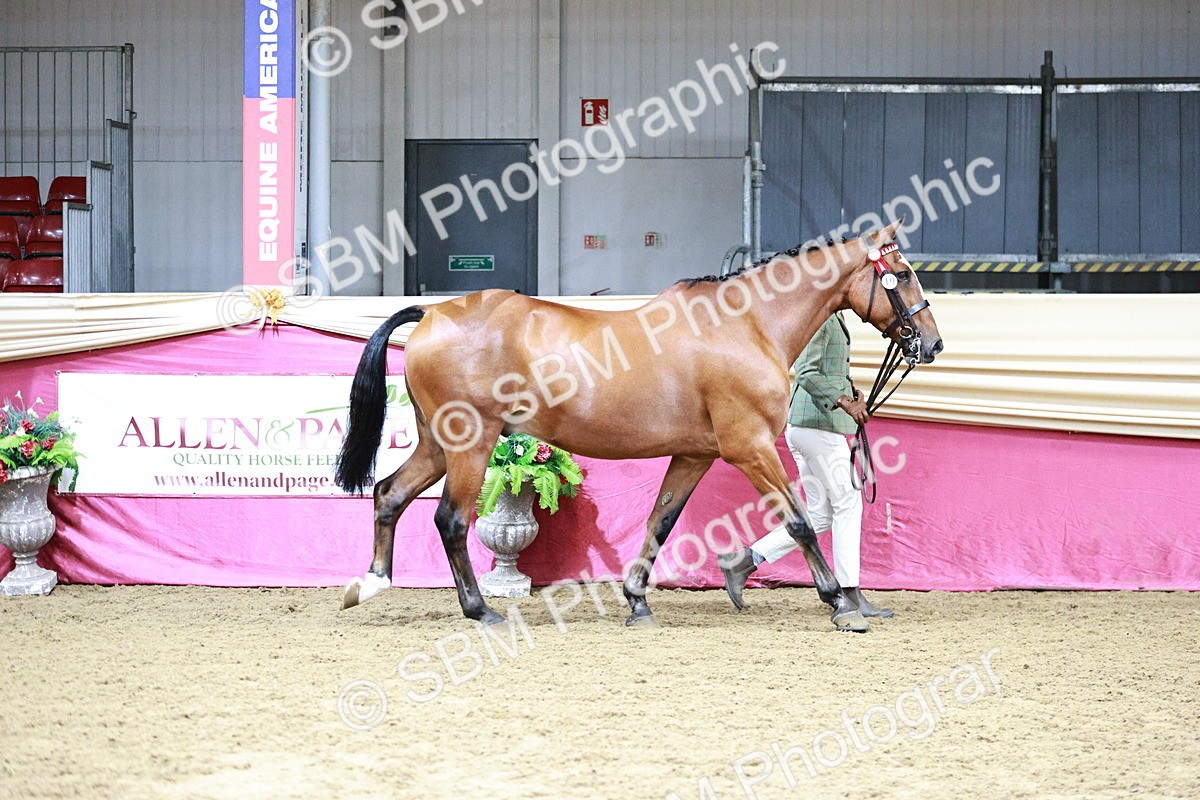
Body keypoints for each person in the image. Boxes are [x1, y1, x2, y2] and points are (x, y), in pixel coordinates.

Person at [717, 311, 893, 626]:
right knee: (848, 503)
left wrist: (849, 393)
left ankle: (744, 561)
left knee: (821, 515)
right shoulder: (824, 317)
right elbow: (807, 372)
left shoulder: (833, 316)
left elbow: (826, 369)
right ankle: (850, 594)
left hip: (807, 427)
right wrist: (844, 402)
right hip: (816, 428)